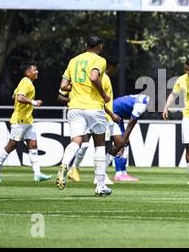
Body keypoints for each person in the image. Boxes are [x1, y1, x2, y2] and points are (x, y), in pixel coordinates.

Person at [56, 35, 115, 196]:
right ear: (100, 46)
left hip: (74, 106)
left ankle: (64, 164)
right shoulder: (100, 60)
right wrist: (103, 95)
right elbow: (94, 77)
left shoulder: (73, 61)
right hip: (93, 107)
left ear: (85, 45)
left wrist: (77, 87)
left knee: (76, 141)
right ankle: (100, 186)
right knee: (100, 145)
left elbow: (63, 86)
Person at [0, 63, 52, 183]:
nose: (37, 72)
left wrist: (19, 95)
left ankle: (37, 174)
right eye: (35, 70)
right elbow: (19, 98)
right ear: (28, 72)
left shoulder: (25, 82)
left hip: (28, 120)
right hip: (20, 120)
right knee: (12, 145)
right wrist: (33, 102)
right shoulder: (26, 82)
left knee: (33, 145)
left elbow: (15, 95)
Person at [65, 59, 119, 185]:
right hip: (99, 115)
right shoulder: (101, 77)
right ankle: (98, 176)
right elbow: (101, 100)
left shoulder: (75, 64)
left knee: (119, 143)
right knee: (96, 146)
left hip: (102, 115)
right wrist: (110, 114)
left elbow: (63, 85)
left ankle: (72, 167)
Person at [106, 94, 151, 181]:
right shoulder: (142, 104)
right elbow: (131, 123)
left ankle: (123, 173)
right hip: (113, 115)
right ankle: (118, 174)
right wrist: (124, 140)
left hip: (117, 114)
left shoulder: (145, 98)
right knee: (121, 143)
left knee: (125, 144)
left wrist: (125, 139)